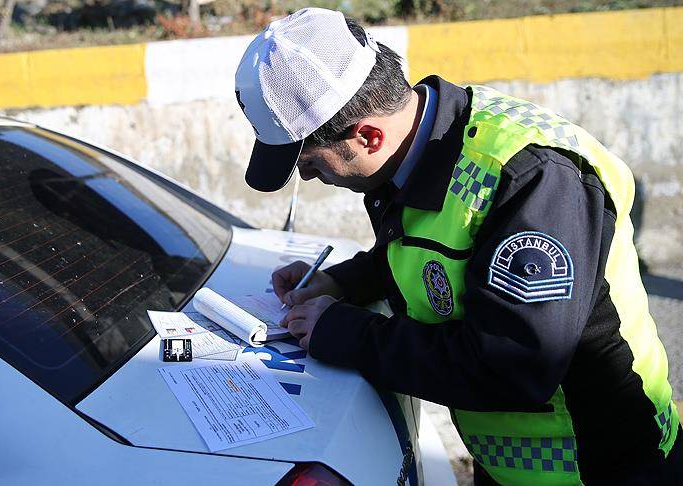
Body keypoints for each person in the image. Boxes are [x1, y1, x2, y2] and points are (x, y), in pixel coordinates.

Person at [233, 7, 682, 485]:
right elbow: (430, 257)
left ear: (367, 135)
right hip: (509, 467)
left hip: (602, 467)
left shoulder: (531, 180)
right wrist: (342, 281)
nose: (305, 175)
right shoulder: (414, 147)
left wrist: (345, 332)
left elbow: (516, 365)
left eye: (310, 160)